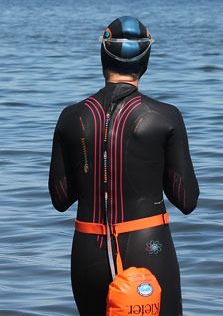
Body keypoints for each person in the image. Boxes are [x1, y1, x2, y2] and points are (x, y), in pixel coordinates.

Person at [48, 16, 199, 315]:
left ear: (103, 55)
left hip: (87, 252)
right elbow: (187, 199)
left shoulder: (71, 117)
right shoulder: (164, 116)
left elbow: (60, 198)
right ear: (146, 60)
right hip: (148, 248)